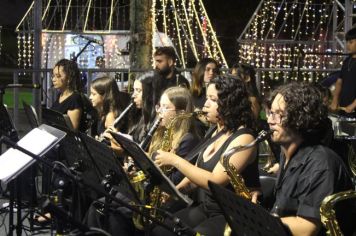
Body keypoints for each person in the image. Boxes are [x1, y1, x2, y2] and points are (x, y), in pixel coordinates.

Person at [151, 76, 260, 236]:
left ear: (230, 103)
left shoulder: (244, 138)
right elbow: (197, 170)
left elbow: (216, 180)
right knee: (161, 230)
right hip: (205, 207)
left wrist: (174, 160)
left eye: (212, 99)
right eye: (207, 98)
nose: (205, 104)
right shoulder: (216, 130)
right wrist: (176, 191)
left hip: (228, 215)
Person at [267, 82, 354, 236]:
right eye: (270, 112)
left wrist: (259, 219)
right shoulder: (286, 152)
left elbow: (306, 228)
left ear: (299, 118)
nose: (270, 120)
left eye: (278, 114)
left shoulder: (321, 163)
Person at [51, 59, 85, 131]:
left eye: (58, 76)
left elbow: (72, 130)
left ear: (69, 78)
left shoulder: (74, 99)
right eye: (53, 76)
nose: (53, 79)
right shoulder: (60, 95)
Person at [330, 27, 356, 118]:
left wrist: (353, 105)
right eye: (347, 42)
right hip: (344, 107)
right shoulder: (347, 61)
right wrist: (335, 99)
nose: (348, 45)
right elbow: (339, 82)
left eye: (351, 42)